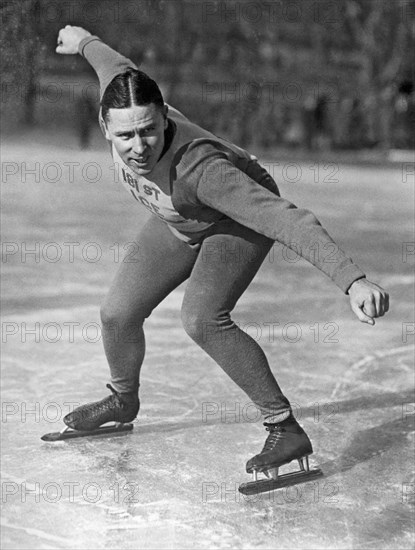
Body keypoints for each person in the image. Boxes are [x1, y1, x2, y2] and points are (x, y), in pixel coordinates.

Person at [54, 26, 389, 481]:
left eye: (150, 131)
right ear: (104, 124)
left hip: (236, 217)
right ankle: (122, 398)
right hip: (182, 218)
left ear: (163, 118)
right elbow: (116, 66)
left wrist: (352, 280)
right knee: (117, 313)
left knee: (202, 318)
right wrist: (83, 40)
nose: (138, 147)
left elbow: (284, 218)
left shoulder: (203, 170)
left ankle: (284, 429)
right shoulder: (125, 97)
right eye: (126, 136)